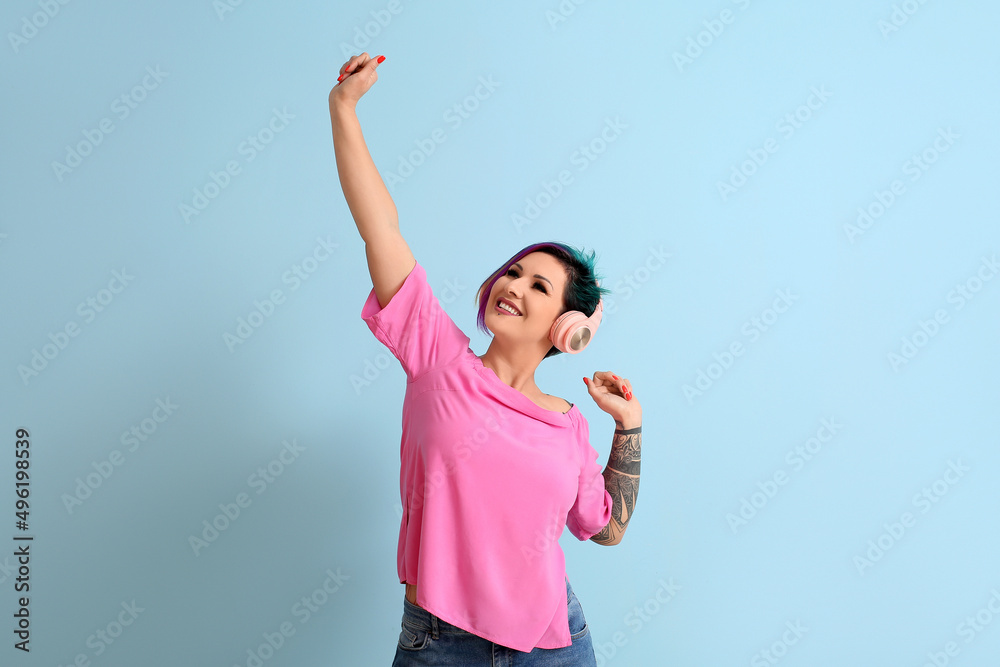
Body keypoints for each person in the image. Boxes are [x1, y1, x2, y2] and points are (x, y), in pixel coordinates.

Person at [330, 53, 643, 665]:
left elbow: (605, 528)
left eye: (538, 287)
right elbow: (381, 229)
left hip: (552, 645)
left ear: (567, 329)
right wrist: (344, 111)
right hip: (439, 643)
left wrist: (627, 427)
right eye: (515, 271)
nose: (514, 286)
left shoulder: (568, 425)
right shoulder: (436, 357)